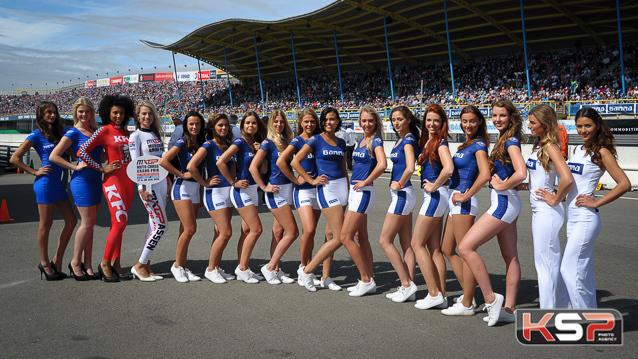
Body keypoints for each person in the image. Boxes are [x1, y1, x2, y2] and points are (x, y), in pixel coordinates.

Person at [458, 99, 527, 326]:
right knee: (510, 257)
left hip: (503, 203)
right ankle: (509, 309)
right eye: (495, 116)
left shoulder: (510, 141)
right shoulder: (505, 139)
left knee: (466, 247)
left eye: (502, 116)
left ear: (511, 118)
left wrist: (502, 185)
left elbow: (521, 172)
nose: (498, 119)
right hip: (508, 202)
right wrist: (509, 185)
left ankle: (491, 298)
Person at [561, 107, 630, 308]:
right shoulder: (577, 150)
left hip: (586, 218)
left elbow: (624, 183)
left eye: (588, 126)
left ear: (597, 125)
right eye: (579, 126)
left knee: (569, 268)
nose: (583, 130)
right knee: (582, 270)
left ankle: (582, 319)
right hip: (572, 217)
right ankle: (590, 315)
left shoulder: (602, 151)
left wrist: (597, 202)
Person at [10, 101, 77, 281]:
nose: (52, 115)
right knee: (46, 225)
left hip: (58, 184)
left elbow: (73, 153)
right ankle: (45, 263)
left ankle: (57, 260)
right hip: (45, 183)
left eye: (54, 112)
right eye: (48, 112)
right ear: (40, 114)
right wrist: (34, 171)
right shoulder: (36, 134)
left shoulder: (59, 134)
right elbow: (14, 158)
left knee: (72, 220)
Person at [517, 104, 573, 308]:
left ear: (544, 124)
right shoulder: (538, 145)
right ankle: (561, 305)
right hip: (539, 210)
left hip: (547, 211)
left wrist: (555, 198)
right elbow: (539, 179)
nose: (529, 126)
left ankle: (549, 312)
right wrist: (525, 186)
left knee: (546, 264)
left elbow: (566, 178)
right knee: (548, 262)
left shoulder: (550, 146)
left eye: (533, 122)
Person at [78, 94, 136, 282]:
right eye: (115, 113)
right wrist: (101, 168)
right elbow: (82, 151)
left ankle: (116, 263)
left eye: (121, 113)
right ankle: (104, 263)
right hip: (113, 182)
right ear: (108, 113)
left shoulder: (128, 134)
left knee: (120, 224)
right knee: (119, 222)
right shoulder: (104, 131)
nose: (118, 116)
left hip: (129, 183)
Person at [440, 105, 490, 316]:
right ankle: (467, 293)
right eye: (464, 121)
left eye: (472, 121)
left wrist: (466, 195)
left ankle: (467, 303)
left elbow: (485, 174)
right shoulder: (465, 145)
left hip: (464, 203)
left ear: (479, 122)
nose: (467, 125)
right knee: (446, 249)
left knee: (465, 252)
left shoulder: (479, 145)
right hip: (456, 202)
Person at [293, 107, 348, 292]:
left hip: (342, 189)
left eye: (332, 119)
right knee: (340, 236)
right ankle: (307, 270)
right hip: (326, 189)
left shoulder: (341, 142)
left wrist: (347, 189)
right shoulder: (316, 139)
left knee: (331, 235)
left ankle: (326, 277)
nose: (328, 122)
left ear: (338, 121)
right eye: (325, 119)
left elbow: (343, 167)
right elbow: (295, 162)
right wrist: (310, 180)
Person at [49, 97, 102, 281]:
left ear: (92, 113)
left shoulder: (96, 131)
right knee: (86, 223)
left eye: (87, 111)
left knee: (91, 225)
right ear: (75, 113)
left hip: (97, 180)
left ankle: (88, 264)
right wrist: (74, 167)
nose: (84, 114)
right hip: (81, 182)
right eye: (81, 111)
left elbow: (101, 155)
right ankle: (75, 262)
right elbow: (54, 156)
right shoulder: (72, 132)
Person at [411, 104, 454, 309]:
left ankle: (434, 293)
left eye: (436, 120)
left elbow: (449, 168)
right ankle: (442, 296)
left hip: (435, 197)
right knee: (434, 249)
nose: (432, 124)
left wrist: (435, 185)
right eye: (428, 120)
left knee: (416, 244)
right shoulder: (427, 141)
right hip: (437, 197)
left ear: (442, 122)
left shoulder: (441, 142)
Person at [216, 111, 267, 284]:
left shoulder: (256, 144)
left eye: (253, 123)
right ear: (242, 126)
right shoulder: (239, 142)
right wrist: (232, 181)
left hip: (253, 190)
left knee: (246, 231)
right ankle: (242, 268)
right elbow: (221, 162)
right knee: (256, 229)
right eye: (247, 123)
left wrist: (262, 153)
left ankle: (243, 266)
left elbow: (264, 170)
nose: (251, 126)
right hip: (241, 190)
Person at [276, 108, 325, 288]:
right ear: (300, 123)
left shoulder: (319, 139)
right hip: (303, 190)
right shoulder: (297, 141)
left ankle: (309, 269)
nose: (309, 125)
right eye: (306, 122)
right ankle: (304, 269)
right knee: (309, 230)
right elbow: (281, 162)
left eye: (312, 121)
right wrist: (299, 178)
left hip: (319, 191)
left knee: (311, 234)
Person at [249, 110, 299, 285]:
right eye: (276, 122)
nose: (279, 124)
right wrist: (264, 187)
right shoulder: (268, 143)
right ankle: (269, 267)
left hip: (288, 189)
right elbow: (254, 167)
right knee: (293, 232)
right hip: (275, 191)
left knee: (279, 232)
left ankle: (276, 269)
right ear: (271, 124)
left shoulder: (286, 142)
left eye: (281, 122)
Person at [341, 106, 386, 297]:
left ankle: (366, 279)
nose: (366, 124)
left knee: (345, 236)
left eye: (370, 121)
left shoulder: (375, 140)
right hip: (355, 193)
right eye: (364, 120)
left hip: (364, 192)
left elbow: (383, 165)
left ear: (376, 122)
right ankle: (368, 278)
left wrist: (366, 181)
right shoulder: (361, 141)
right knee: (361, 237)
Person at [188, 113, 236, 284]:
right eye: (220, 125)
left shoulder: (228, 145)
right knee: (226, 232)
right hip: (214, 193)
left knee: (219, 232)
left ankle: (216, 267)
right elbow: (191, 166)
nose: (224, 128)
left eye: (226, 125)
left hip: (229, 192)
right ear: (213, 128)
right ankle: (210, 269)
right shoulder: (208, 145)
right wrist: (205, 182)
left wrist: (234, 181)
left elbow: (233, 167)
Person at [159, 110, 206, 283]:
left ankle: (183, 266)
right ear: (186, 125)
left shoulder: (202, 143)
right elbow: (163, 161)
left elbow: (201, 170)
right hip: (183, 188)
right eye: (191, 124)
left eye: (197, 124)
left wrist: (201, 192)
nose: (194, 127)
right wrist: (180, 173)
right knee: (190, 228)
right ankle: (177, 266)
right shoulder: (182, 142)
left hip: (195, 189)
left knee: (184, 230)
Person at [380, 106, 421, 303]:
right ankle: (409, 287)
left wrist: (400, 183)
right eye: (393, 120)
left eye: (399, 119)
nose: (396, 123)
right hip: (404, 195)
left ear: (408, 120)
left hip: (402, 194)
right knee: (406, 243)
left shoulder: (408, 140)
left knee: (384, 241)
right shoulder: (402, 139)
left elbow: (411, 167)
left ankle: (406, 284)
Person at [128, 100, 170, 282]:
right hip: (148, 185)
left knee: (153, 225)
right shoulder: (135, 136)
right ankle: (139, 264)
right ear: (138, 116)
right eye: (144, 114)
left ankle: (147, 265)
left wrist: (167, 181)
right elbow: (135, 164)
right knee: (162, 225)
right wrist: (141, 188)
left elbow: (160, 160)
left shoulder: (155, 134)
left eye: (150, 114)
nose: (147, 117)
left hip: (161, 183)